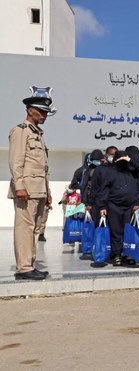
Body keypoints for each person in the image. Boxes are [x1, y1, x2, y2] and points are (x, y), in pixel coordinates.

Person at [8, 87, 55, 280]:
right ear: (30, 111)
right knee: (24, 228)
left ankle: (29, 264)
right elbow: (15, 162)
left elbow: (42, 168)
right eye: (41, 111)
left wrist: (48, 192)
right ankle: (23, 267)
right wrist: (19, 187)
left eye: (46, 112)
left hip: (39, 191)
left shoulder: (38, 134)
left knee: (35, 229)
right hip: (26, 190)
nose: (45, 115)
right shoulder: (21, 131)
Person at [97, 151, 139, 266]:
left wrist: (130, 160)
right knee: (116, 232)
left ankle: (128, 254)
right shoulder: (110, 173)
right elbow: (104, 190)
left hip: (130, 207)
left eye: (124, 160)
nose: (122, 162)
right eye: (119, 160)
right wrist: (102, 206)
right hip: (113, 206)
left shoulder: (133, 172)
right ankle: (117, 254)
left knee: (128, 232)